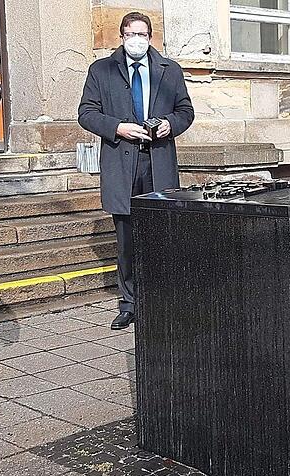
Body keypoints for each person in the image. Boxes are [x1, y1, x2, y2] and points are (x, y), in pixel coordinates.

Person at [78, 12, 194, 330]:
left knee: (161, 236)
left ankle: (161, 300)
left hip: (158, 162)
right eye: (130, 33)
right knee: (127, 240)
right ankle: (129, 302)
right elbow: (86, 113)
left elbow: (186, 110)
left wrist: (171, 124)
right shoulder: (101, 70)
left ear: (150, 36)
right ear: (121, 36)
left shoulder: (169, 71)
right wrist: (118, 127)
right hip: (123, 164)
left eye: (142, 34)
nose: (136, 39)